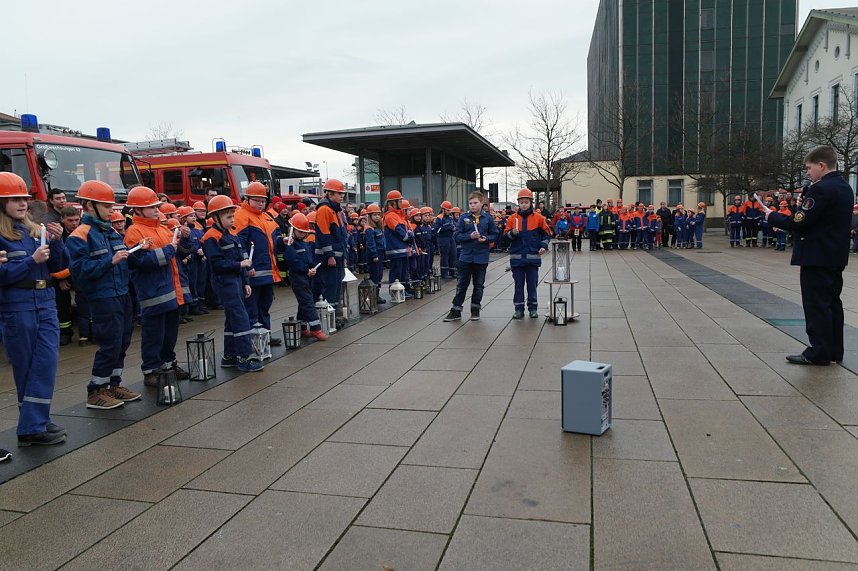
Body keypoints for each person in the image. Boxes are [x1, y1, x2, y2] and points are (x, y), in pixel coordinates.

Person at [765, 145, 853, 366]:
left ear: (821, 165)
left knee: (816, 305)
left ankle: (819, 352)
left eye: (809, 168)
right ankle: (834, 350)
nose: (807, 173)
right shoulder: (844, 187)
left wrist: (772, 216)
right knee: (833, 303)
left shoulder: (821, 189)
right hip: (835, 255)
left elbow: (800, 222)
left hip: (816, 255)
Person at [0, 172, 69, 446]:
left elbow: (59, 267)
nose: (22, 204)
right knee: (27, 367)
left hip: (45, 302)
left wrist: (57, 241)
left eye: (24, 199)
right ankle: (33, 425)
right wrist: (31, 260)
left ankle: (34, 422)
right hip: (18, 306)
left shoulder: (35, 231)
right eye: (14, 199)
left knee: (46, 363)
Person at [67, 180, 142, 410]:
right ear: (89, 206)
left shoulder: (109, 231)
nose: (112, 210)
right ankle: (95, 390)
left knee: (122, 341)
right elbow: (78, 271)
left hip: (120, 292)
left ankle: (113, 384)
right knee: (109, 343)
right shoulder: (81, 234)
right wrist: (109, 261)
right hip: (102, 296)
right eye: (106, 205)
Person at [123, 186, 189, 386]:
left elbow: (176, 259)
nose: (156, 210)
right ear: (137, 210)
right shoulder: (134, 232)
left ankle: (168, 363)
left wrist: (182, 241)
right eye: (151, 207)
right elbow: (142, 261)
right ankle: (151, 370)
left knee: (170, 333)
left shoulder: (161, 228)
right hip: (152, 292)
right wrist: (170, 250)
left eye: (156, 206)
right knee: (153, 334)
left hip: (169, 290)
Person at [201, 195, 263, 372]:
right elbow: (217, 264)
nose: (232, 220)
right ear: (216, 217)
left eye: (232, 216)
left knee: (232, 318)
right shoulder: (211, 237)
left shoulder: (232, 234)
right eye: (228, 217)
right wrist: (239, 265)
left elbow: (239, 258)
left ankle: (229, 356)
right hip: (224, 282)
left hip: (235, 280)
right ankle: (245, 356)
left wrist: (245, 281)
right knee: (240, 317)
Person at [234, 181, 283, 346]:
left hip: (267, 271)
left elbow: (274, 240)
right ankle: (255, 340)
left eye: (263, 200)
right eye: (257, 200)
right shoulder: (241, 215)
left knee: (264, 306)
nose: (261, 203)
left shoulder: (266, 216)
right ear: (248, 199)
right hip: (254, 271)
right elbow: (240, 243)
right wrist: (248, 265)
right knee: (252, 307)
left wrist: (282, 241)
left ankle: (265, 336)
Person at [444, 191, 498, 321]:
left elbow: (495, 234)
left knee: (479, 284)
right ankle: (456, 310)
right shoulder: (464, 218)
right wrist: (470, 236)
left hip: (481, 257)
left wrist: (485, 239)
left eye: (475, 203)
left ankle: (475, 309)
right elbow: (457, 236)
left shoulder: (488, 218)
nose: (472, 205)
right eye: (470, 203)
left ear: (481, 203)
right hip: (466, 256)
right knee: (462, 283)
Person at [504, 188, 552, 319]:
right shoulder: (512, 219)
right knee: (518, 285)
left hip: (532, 259)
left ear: (531, 202)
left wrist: (543, 245)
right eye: (521, 202)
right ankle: (518, 309)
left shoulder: (539, 218)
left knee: (532, 285)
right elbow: (504, 238)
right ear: (518, 203)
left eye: (526, 201)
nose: (524, 204)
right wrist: (511, 234)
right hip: (517, 259)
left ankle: (533, 308)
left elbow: (547, 234)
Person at [281, 212, 327, 340]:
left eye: (304, 232)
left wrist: (312, 267)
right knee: (307, 302)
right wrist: (307, 270)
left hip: (306, 276)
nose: (303, 234)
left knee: (304, 302)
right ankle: (316, 329)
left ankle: (302, 326)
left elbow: (308, 258)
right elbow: (294, 262)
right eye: (300, 231)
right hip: (298, 278)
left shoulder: (303, 243)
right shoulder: (291, 246)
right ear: (293, 230)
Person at [314, 179, 349, 310]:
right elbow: (324, 234)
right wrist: (330, 255)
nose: (342, 196)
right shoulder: (325, 210)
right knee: (330, 287)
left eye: (342, 194)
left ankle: (333, 316)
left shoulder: (335, 210)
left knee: (335, 288)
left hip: (336, 257)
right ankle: (329, 317)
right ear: (330, 194)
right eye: (339, 193)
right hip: (329, 259)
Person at [383, 190, 411, 294]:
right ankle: (395, 292)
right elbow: (399, 231)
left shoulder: (398, 215)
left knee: (403, 272)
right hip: (395, 249)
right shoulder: (390, 215)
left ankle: (402, 291)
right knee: (397, 272)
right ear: (393, 202)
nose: (401, 203)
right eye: (399, 201)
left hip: (401, 249)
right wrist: (408, 237)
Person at [433, 200, 456, 278]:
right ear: (443, 209)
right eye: (447, 210)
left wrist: (452, 228)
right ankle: (444, 273)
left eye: (449, 210)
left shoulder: (450, 218)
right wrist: (448, 227)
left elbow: (452, 226)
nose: (449, 212)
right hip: (443, 238)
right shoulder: (439, 218)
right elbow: (437, 230)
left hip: (450, 238)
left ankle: (452, 272)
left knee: (453, 254)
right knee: (445, 256)